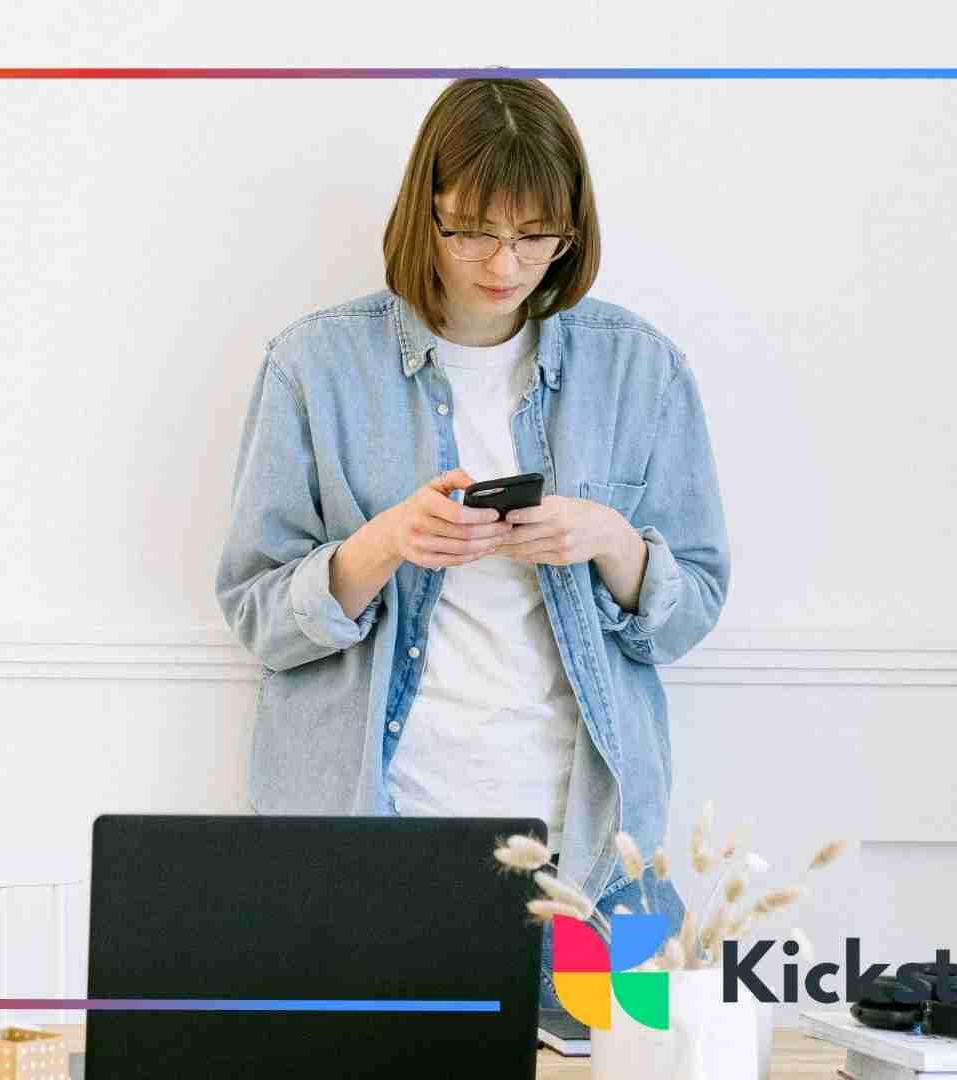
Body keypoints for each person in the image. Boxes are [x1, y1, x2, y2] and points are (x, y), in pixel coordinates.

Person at [214, 78, 731, 1010]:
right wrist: (382, 544)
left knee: (616, 1065)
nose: (506, 262)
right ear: (426, 213)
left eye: (539, 235)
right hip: (371, 842)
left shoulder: (638, 368)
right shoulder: (315, 365)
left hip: (598, 855)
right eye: (474, 231)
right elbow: (258, 613)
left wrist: (611, 541)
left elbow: (692, 605)